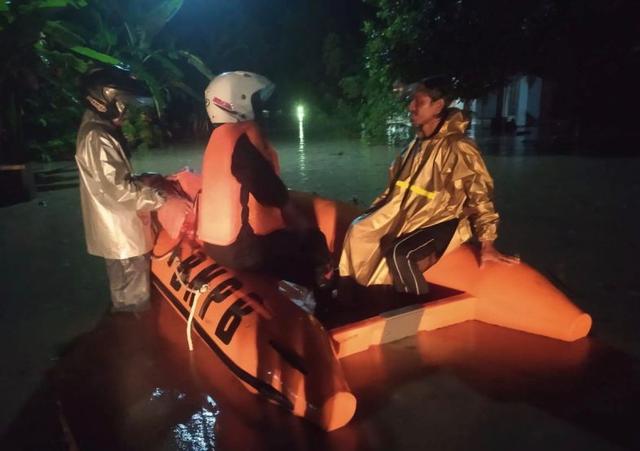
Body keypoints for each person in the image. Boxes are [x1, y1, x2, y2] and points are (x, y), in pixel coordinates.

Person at [339, 75, 519, 295]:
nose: (410, 107)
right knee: (358, 229)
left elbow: (479, 193)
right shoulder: (415, 145)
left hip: (446, 219)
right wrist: (374, 213)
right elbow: (394, 190)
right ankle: (356, 293)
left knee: (400, 253)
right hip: (416, 214)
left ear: (438, 105)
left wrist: (487, 242)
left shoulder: (458, 146)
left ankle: (412, 317)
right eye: (411, 101)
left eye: (419, 102)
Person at [198, 71, 331, 288]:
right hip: (244, 248)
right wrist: (306, 229)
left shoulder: (219, 139)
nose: (259, 107)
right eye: (255, 100)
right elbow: (272, 193)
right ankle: (324, 303)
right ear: (238, 102)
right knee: (314, 242)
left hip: (215, 245)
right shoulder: (241, 143)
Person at [75, 65, 171, 312]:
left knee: (124, 289)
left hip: (115, 227)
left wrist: (142, 179)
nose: (126, 111)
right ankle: (134, 340)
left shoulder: (96, 128)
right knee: (133, 299)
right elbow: (119, 190)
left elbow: (109, 178)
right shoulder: (98, 136)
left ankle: (126, 328)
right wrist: (159, 197)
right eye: (122, 103)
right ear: (103, 100)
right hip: (121, 230)